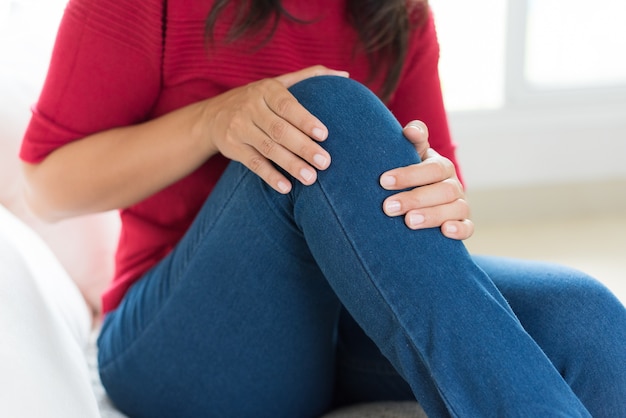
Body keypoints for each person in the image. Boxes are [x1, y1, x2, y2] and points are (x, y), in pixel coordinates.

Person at [19, 0, 626, 416]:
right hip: (180, 340)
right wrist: (214, 120)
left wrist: (437, 186)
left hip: (339, 321)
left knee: (584, 314)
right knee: (326, 108)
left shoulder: (396, 14)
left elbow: (435, 238)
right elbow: (48, 186)